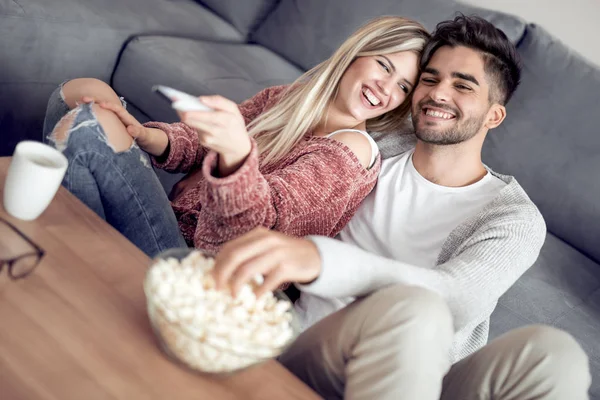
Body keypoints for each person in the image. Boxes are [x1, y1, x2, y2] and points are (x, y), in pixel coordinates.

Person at [211, 15, 592, 399]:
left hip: (425, 381)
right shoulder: (374, 138)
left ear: (494, 115)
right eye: (430, 79)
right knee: (416, 310)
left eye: (462, 85)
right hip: (313, 346)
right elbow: (296, 117)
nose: (438, 94)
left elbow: (458, 299)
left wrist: (319, 259)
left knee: (558, 357)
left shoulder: (514, 218)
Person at [41, 16, 430, 257]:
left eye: (402, 87)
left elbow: (261, 227)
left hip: (194, 258)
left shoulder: (352, 152)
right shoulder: (287, 98)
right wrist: (144, 134)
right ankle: (87, 249)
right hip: (172, 218)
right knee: (81, 91)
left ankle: (73, 251)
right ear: (356, 53)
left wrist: (237, 157)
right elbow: (201, 141)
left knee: (89, 130)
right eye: (383, 65)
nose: (386, 88)